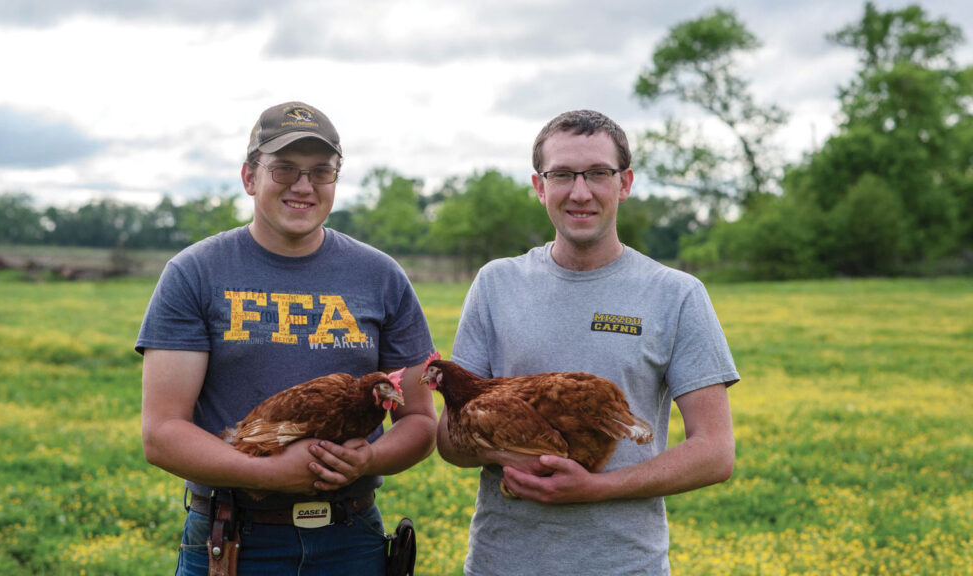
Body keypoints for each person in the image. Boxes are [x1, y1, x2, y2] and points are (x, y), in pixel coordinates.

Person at [136, 101, 437, 576]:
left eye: (321, 171)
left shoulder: (381, 277)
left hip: (350, 540)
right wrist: (268, 473)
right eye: (284, 170)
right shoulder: (195, 273)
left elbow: (420, 421)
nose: (303, 186)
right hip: (234, 538)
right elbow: (162, 434)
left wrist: (368, 458)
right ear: (249, 177)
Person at [437, 109, 739, 575]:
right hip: (503, 564)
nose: (580, 192)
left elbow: (715, 453)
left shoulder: (675, 294)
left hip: (623, 565)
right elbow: (450, 441)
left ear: (625, 183)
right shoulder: (496, 284)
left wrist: (595, 488)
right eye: (562, 174)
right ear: (540, 187)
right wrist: (523, 451)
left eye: (598, 173)